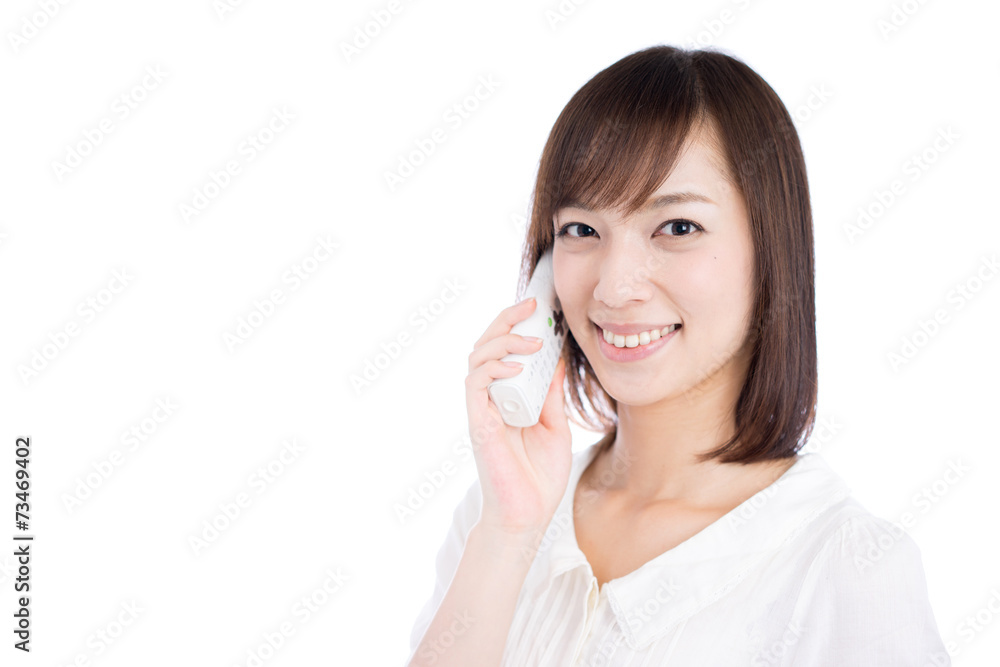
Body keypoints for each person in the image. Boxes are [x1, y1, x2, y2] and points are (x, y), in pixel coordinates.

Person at [405, 44, 950, 666]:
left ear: (769, 248)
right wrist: (507, 536)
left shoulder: (848, 568)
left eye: (678, 228)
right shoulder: (496, 515)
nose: (615, 287)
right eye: (582, 230)